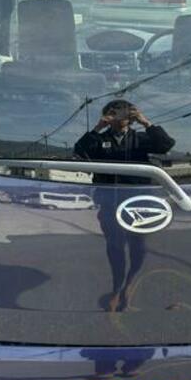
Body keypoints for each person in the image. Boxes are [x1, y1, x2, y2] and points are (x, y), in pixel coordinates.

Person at [73, 100, 175, 311]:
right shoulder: (100, 140)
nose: (120, 115)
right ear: (107, 116)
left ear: (132, 115)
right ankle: (117, 288)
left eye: (125, 111)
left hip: (139, 204)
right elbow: (79, 152)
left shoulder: (141, 138)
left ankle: (130, 283)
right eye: (114, 112)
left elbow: (166, 145)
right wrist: (98, 127)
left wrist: (145, 122)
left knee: (139, 247)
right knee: (115, 248)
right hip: (109, 203)